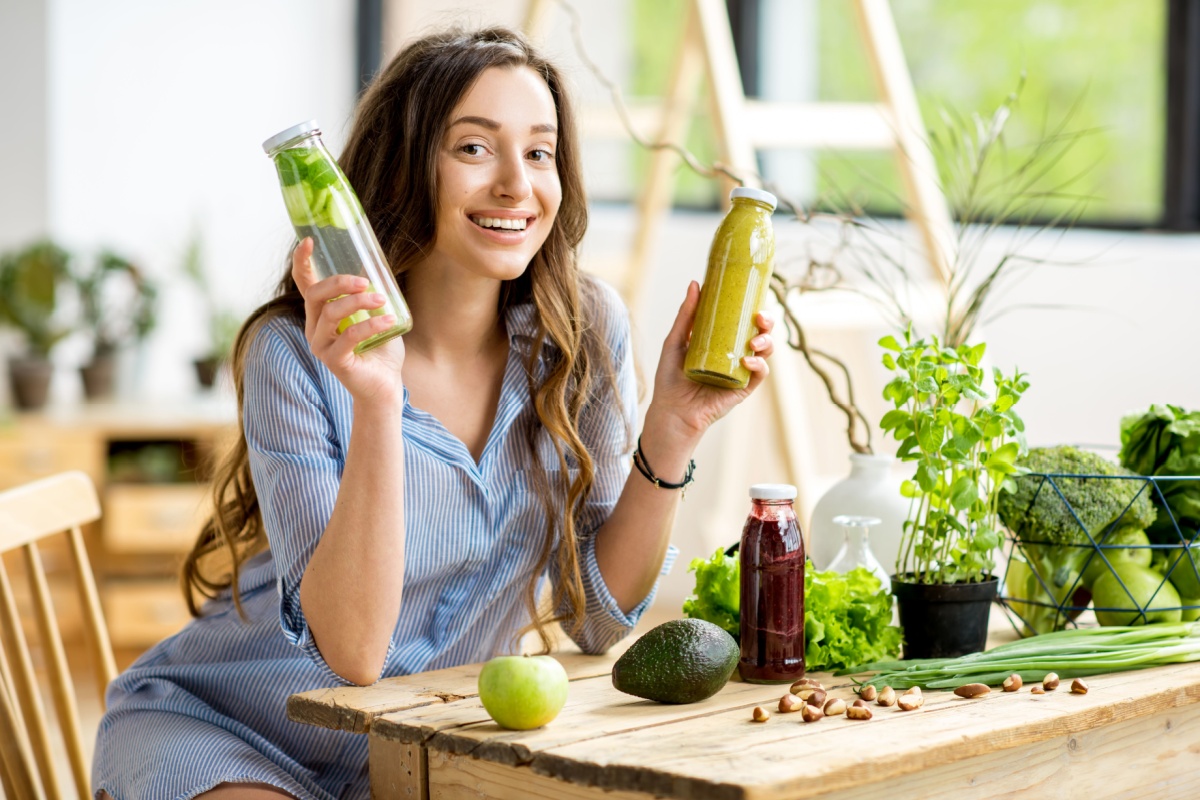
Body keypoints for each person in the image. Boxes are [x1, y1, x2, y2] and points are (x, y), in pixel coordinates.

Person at [92, 26, 773, 799]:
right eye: (475, 149)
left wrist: (674, 427)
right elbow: (352, 654)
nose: (518, 184)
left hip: (422, 746)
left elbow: (600, 624)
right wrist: (378, 399)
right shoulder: (292, 353)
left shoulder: (581, 335)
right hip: (229, 727)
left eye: (541, 152)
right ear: (404, 168)